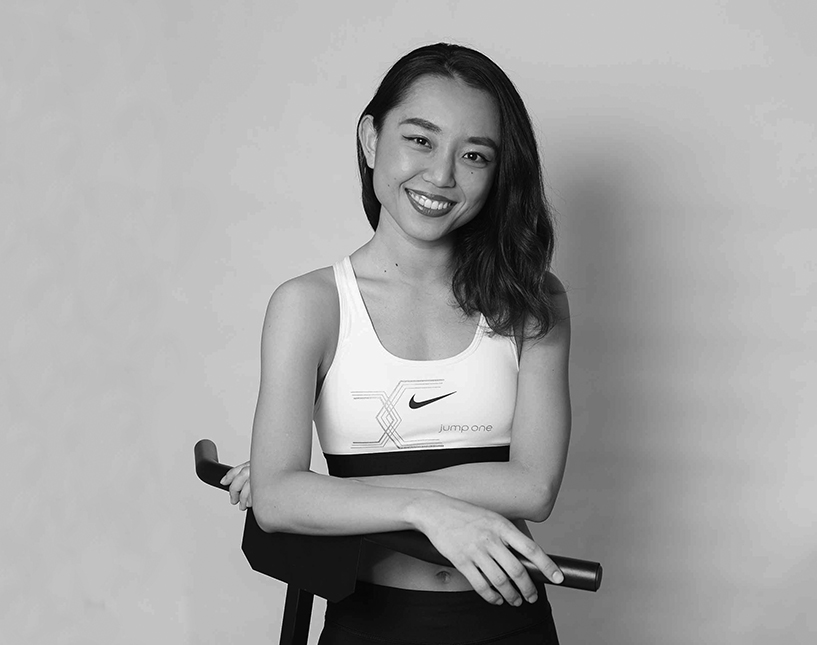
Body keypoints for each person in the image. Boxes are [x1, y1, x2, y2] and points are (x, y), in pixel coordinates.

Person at [220, 43, 572, 644]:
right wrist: (422, 508)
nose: (441, 175)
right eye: (420, 140)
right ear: (370, 139)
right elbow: (277, 504)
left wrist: (326, 493)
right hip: (370, 625)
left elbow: (533, 488)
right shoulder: (309, 305)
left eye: (474, 155)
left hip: (512, 624)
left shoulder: (532, 300)